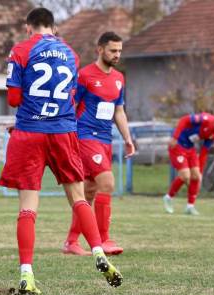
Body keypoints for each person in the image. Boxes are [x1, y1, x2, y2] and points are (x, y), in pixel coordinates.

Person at [0, 7, 122, 295]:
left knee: (28, 206)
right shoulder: (71, 54)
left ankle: (27, 272)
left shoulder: (21, 50)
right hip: (64, 131)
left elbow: (14, 98)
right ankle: (98, 253)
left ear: (28, 27)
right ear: (53, 27)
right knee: (79, 198)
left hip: (30, 132)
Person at [62, 32, 135, 256]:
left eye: (120, 51)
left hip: (105, 139)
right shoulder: (83, 76)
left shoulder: (119, 78)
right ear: (100, 49)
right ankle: (104, 240)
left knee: (88, 191)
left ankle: (71, 242)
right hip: (85, 137)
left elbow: (119, 111)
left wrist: (128, 138)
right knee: (107, 183)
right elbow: (70, 105)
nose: (117, 55)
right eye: (113, 50)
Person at [162, 112, 214, 215]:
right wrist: (175, 137)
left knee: (196, 176)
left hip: (190, 148)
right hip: (178, 145)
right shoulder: (207, 119)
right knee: (185, 176)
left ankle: (190, 206)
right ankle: (168, 197)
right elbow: (184, 119)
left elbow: (204, 152)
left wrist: (200, 171)